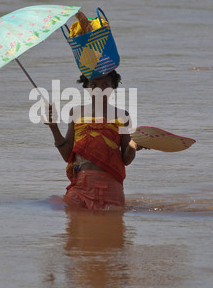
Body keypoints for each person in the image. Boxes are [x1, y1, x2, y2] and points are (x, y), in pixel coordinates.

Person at [44, 70, 143, 210]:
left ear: (113, 86)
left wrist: (133, 146)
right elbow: (68, 156)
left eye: (105, 85)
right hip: (81, 185)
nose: (99, 89)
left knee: (111, 230)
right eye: (94, 85)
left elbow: (126, 160)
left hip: (111, 187)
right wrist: (53, 127)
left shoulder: (122, 115)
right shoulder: (76, 112)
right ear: (87, 87)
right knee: (71, 225)